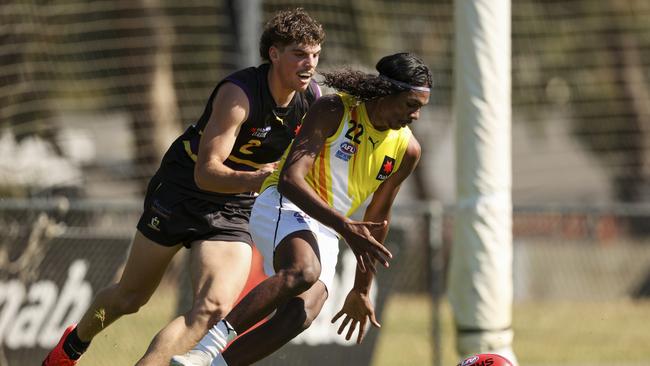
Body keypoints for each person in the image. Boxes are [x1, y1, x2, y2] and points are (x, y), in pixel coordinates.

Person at [42, 8, 324, 366]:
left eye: (315, 54)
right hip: (182, 189)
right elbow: (207, 173)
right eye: (299, 54)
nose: (309, 63)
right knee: (129, 298)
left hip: (237, 205)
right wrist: (262, 178)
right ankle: (72, 346)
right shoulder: (239, 95)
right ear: (273, 54)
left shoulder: (311, 99)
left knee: (213, 307)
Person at [171, 52, 432, 366]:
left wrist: (361, 290)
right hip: (282, 204)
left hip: (328, 226)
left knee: (302, 313)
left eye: (420, 108)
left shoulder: (408, 150)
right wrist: (346, 226)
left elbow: (377, 221)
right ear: (387, 92)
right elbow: (291, 180)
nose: (415, 116)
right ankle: (204, 350)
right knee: (304, 271)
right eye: (410, 105)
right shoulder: (334, 109)